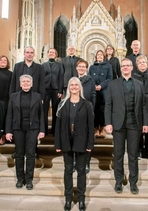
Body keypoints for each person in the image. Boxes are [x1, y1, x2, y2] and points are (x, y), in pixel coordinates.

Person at [104, 58, 148, 195]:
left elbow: (144, 105)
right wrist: (108, 123)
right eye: (123, 66)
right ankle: (119, 181)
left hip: (134, 123)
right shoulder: (113, 84)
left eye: (127, 65)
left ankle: (133, 182)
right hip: (118, 123)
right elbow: (108, 105)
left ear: (131, 67)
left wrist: (145, 123)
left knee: (133, 154)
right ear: (120, 68)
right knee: (118, 155)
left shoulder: (139, 84)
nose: (125, 68)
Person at [54, 77, 94, 211]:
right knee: (68, 171)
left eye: (76, 85)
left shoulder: (87, 104)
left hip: (82, 141)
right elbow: (58, 127)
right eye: (72, 85)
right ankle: (68, 199)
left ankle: (81, 199)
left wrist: (90, 144)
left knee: (81, 171)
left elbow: (90, 126)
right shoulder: (62, 104)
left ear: (80, 87)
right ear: (68, 87)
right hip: (66, 140)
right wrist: (57, 144)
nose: (74, 87)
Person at [5, 74, 45, 190]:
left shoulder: (37, 96)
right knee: (19, 154)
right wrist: (8, 131)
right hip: (18, 129)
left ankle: (29, 180)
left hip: (33, 129)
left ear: (32, 84)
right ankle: (20, 179)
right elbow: (9, 115)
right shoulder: (13, 96)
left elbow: (41, 114)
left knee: (31, 154)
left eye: (28, 82)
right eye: (24, 82)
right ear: (20, 84)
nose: (26, 84)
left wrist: (42, 129)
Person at [9, 46, 45, 157]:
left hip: (34, 100)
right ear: (24, 54)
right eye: (27, 52)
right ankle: (18, 150)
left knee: (33, 124)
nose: (29, 54)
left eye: (31, 52)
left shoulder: (39, 67)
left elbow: (42, 84)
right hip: (19, 99)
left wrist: (41, 98)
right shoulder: (18, 66)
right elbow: (13, 82)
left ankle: (33, 150)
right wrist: (12, 97)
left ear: (34, 54)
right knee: (18, 125)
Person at [76, 59, 96, 173]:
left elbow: (93, 95)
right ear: (76, 68)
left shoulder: (90, 80)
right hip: (74, 111)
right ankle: (76, 161)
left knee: (88, 138)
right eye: (80, 66)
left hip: (87, 111)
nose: (81, 68)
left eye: (83, 66)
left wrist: (92, 109)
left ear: (86, 68)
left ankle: (86, 162)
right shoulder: (73, 80)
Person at [88, 49, 113, 138]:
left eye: (101, 55)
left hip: (104, 91)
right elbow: (89, 78)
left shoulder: (108, 66)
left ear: (104, 56)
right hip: (94, 91)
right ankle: (95, 129)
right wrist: (94, 86)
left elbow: (110, 78)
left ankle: (102, 129)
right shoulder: (91, 67)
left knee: (102, 111)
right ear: (96, 57)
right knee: (94, 109)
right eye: (98, 55)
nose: (99, 56)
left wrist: (101, 86)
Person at [42, 48, 64, 135]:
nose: (51, 53)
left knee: (56, 109)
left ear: (55, 55)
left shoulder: (59, 65)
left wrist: (60, 90)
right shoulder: (43, 65)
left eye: (53, 52)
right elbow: (41, 78)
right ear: (48, 54)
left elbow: (61, 78)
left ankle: (55, 130)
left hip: (55, 89)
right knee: (44, 110)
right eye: (50, 52)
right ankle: (44, 130)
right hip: (45, 89)